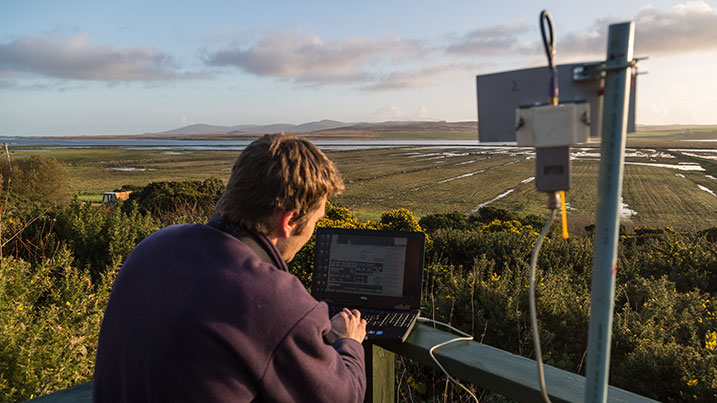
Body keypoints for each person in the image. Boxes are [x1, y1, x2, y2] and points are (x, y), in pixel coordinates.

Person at [93, 133, 367, 402]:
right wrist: (349, 343)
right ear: (290, 221)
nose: (312, 231)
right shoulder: (275, 300)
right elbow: (342, 396)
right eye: (316, 220)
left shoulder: (153, 246)